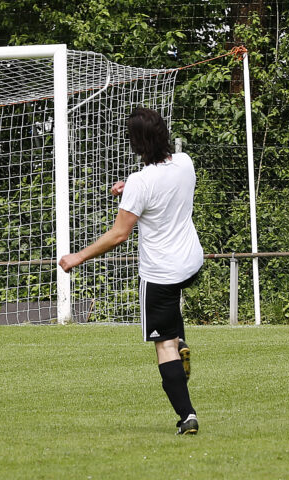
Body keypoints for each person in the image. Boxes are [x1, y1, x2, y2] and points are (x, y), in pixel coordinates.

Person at [59, 106, 204, 434]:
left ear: (136, 143)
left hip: (162, 274)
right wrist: (131, 190)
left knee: (163, 346)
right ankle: (180, 341)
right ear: (164, 133)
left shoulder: (141, 182)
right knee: (172, 319)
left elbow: (119, 234)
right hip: (191, 263)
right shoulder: (185, 163)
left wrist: (78, 257)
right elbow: (164, 189)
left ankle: (187, 416)